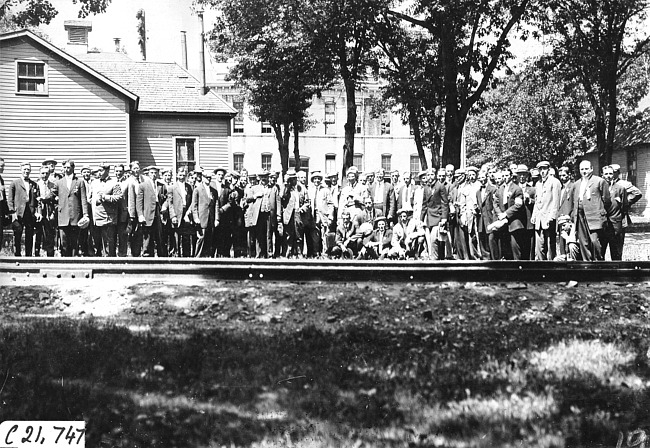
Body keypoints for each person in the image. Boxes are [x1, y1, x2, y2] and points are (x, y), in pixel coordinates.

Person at [571, 160, 611, 261]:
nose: (584, 171)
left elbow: (607, 201)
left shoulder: (599, 181)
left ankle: (598, 264)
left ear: (592, 169)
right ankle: (587, 265)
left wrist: (599, 212)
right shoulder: (576, 184)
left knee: (594, 241)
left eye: (586, 169)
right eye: (582, 169)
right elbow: (574, 201)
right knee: (583, 242)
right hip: (580, 216)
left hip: (594, 217)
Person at [603, 164, 642, 260]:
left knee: (617, 248)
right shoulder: (603, 184)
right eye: (607, 173)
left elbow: (637, 193)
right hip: (605, 219)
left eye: (614, 172)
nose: (611, 175)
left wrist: (624, 202)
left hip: (619, 217)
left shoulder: (624, 184)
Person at [494, 165, 527, 260]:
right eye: (503, 176)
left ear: (512, 176)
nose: (505, 177)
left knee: (515, 248)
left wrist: (506, 214)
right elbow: (495, 203)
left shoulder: (517, 189)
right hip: (503, 223)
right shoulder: (500, 189)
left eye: (507, 175)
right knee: (505, 248)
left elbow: (518, 205)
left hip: (514, 223)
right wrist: (500, 214)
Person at [246, 170, 281, 258]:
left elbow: (278, 202)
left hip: (269, 214)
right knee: (259, 234)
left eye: (265, 176)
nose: (264, 178)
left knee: (269, 234)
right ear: (259, 178)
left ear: (268, 177)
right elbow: (247, 199)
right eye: (262, 177)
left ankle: (269, 254)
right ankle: (259, 254)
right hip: (259, 214)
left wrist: (278, 215)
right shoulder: (255, 188)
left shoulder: (273, 188)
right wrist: (255, 196)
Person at [8, 162, 40, 256]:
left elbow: (37, 201)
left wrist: (37, 212)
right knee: (18, 234)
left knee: (29, 235)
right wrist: (13, 213)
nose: (26, 171)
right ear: (21, 170)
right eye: (24, 169)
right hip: (18, 213)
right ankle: (17, 255)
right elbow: (10, 200)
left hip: (30, 213)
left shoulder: (34, 184)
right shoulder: (15, 183)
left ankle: (28, 256)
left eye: (28, 169)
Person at [531, 161, 561, 260]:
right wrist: (534, 215)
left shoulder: (555, 182)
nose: (543, 171)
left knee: (550, 246)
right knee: (539, 246)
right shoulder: (538, 184)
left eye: (545, 169)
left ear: (548, 169)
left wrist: (552, 217)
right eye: (540, 169)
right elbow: (536, 201)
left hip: (548, 218)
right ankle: (541, 266)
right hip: (539, 219)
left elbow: (556, 202)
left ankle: (550, 267)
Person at [90, 162, 122, 257]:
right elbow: (90, 196)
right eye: (98, 170)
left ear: (107, 171)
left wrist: (105, 197)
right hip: (96, 218)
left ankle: (110, 267)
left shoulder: (114, 183)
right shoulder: (94, 183)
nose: (99, 173)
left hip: (108, 219)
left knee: (108, 246)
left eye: (101, 170)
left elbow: (118, 197)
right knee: (97, 245)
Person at [421, 167, 449, 260]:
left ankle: (435, 259)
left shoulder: (440, 186)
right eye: (428, 175)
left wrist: (444, 217)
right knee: (431, 239)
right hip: (429, 217)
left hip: (438, 216)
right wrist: (421, 219)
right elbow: (424, 204)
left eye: (432, 175)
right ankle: (437, 258)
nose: (430, 177)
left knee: (435, 238)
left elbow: (445, 203)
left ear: (435, 176)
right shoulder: (426, 188)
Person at [191, 169, 218, 258]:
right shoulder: (197, 190)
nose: (208, 180)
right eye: (206, 178)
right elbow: (194, 206)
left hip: (211, 219)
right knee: (201, 238)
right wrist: (196, 218)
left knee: (210, 239)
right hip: (201, 218)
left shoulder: (214, 191)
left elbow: (216, 205)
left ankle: (207, 258)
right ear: (203, 178)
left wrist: (217, 218)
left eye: (210, 178)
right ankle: (197, 258)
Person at [168, 167, 194, 257]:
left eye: (184, 175)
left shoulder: (189, 187)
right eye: (180, 175)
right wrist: (173, 216)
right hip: (177, 213)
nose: (182, 177)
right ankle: (176, 255)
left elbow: (192, 202)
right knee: (176, 236)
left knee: (186, 236)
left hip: (186, 214)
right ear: (177, 175)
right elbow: (170, 203)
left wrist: (188, 212)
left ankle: (186, 256)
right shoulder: (172, 187)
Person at [475, 169, 499, 260]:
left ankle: (494, 259)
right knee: (482, 240)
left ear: (487, 178)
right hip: (481, 219)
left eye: (483, 177)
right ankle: (486, 260)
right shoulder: (478, 192)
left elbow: (495, 204)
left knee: (491, 239)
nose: (482, 179)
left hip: (490, 218)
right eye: (480, 178)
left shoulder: (493, 189)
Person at [310, 171, 334, 258]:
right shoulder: (311, 190)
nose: (317, 180)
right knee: (315, 236)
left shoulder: (325, 190)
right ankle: (316, 253)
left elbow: (331, 204)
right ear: (313, 180)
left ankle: (325, 253)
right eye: (315, 179)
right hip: (314, 216)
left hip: (324, 215)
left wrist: (330, 216)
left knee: (325, 235)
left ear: (321, 180)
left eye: (318, 179)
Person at [34, 165, 57, 256]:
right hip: (38, 212)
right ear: (39, 174)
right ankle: (36, 254)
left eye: (47, 173)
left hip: (49, 212)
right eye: (42, 173)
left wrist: (53, 212)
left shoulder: (52, 185)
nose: (45, 175)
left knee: (49, 234)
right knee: (38, 233)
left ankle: (50, 256)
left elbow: (54, 199)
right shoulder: (35, 184)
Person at [125, 161, 145, 257]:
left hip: (141, 209)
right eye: (134, 168)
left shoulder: (142, 180)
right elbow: (129, 198)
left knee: (140, 232)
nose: (136, 170)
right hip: (132, 211)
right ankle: (133, 253)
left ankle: (138, 252)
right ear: (131, 170)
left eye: (137, 168)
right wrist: (131, 214)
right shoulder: (129, 181)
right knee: (133, 232)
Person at [281, 169, 302, 257]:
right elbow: (282, 197)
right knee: (289, 234)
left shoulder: (300, 188)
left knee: (298, 233)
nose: (293, 181)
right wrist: (286, 184)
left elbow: (305, 200)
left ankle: (298, 252)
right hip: (289, 213)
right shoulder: (285, 188)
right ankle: (288, 252)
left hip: (297, 212)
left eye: (294, 179)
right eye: (291, 179)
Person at [556, 166, 575, 259]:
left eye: (564, 175)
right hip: (560, 221)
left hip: (568, 221)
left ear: (569, 175)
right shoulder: (560, 188)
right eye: (560, 175)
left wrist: (569, 218)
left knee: (569, 245)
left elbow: (574, 204)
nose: (562, 177)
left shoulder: (573, 187)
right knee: (562, 246)